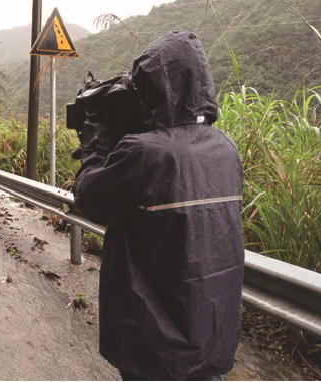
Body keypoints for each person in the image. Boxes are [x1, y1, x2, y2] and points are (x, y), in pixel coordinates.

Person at [72, 31, 244, 380]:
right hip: (212, 337)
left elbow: (91, 200)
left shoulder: (143, 152)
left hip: (155, 343)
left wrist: (95, 147)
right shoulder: (226, 149)